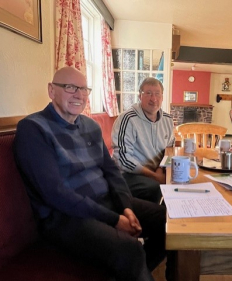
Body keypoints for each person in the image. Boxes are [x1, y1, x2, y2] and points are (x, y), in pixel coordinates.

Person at [13, 67, 168, 281]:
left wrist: (126, 207)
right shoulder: (33, 129)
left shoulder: (90, 125)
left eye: (84, 89)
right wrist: (115, 219)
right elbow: (55, 193)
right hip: (65, 217)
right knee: (130, 249)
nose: (79, 94)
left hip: (105, 202)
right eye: (70, 87)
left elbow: (112, 170)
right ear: (51, 90)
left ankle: (136, 272)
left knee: (168, 222)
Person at [112, 77, 175, 204]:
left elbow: (169, 150)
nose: (154, 99)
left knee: (180, 182)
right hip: (129, 174)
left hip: (155, 171)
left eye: (157, 94)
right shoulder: (128, 119)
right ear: (140, 96)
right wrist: (155, 177)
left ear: (162, 97)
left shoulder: (167, 120)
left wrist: (159, 171)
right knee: (155, 187)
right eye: (148, 93)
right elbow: (122, 159)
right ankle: (153, 219)